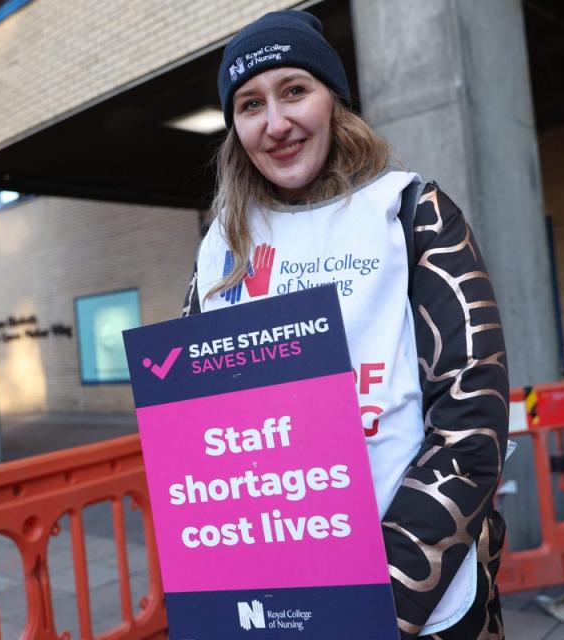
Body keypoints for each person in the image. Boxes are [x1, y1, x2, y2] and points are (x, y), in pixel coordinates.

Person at [182, 11, 509, 639]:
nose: (275, 123)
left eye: (295, 91)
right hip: (276, 591)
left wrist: (377, 605)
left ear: (334, 100)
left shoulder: (412, 213)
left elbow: (472, 425)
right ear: (235, 127)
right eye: (250, 104)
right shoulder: (219, 250)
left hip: (417, 604)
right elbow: (203, 437)